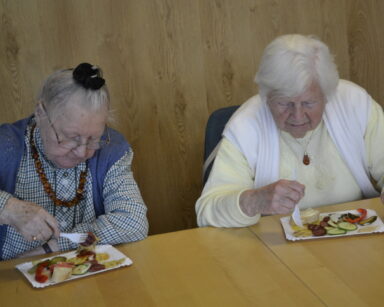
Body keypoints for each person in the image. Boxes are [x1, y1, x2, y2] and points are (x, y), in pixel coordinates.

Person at [196, 34, 384, 228]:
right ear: (266, 96)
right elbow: (206, 212)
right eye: (284, 103)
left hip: (353, 241)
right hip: (273, 249)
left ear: (327, 96)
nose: (298, 115)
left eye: (308, 103)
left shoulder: (355, 104)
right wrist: (254, 201)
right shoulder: (245, 125)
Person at [0, 63, 148, 260]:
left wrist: (54, 247)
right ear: (41, 112)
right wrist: (8, 208)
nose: (81, 152)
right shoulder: (6, 145)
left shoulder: (111, 149)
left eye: (94, 139)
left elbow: (134, 222)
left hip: (87, 273)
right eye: (71, 137)